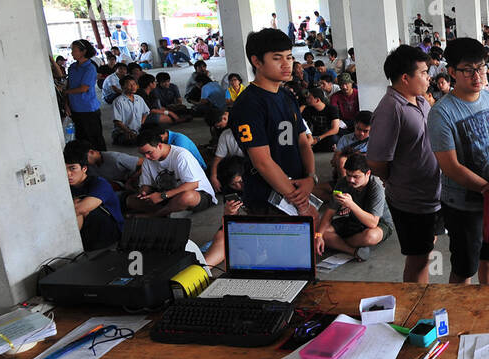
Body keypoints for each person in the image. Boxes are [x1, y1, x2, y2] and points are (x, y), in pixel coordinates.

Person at [427, 37, 489, 285]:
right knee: (464, 268)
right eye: (468, 70)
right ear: (451, 72)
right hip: (463, 205)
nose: (477, 76)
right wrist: (485, 189)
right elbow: (450, 166)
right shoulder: (442, 112)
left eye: (481, 67)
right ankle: (463, 320)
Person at [366, 44, 441, 284]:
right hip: (411, 199)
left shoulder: (420, 101)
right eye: (423, 72)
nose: (428, 77)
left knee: (426, 252)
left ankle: (422, 299)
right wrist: (395, 180)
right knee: (417, 258)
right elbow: (377, 162)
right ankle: (415, 308)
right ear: (405, 78)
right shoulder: (391, 109)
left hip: (431, 194)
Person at [229, 29, 316, 215]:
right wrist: (298, 201)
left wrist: (310, 177)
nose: (287, 64)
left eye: (290, 57)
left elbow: (303, 141)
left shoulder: (286, 95)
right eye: (277, 58)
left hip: (299, 186)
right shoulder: (248, 104)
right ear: (257, 61)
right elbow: (262, 162)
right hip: (269, 197)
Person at [314, 153, 391, 261]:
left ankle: (337, 243)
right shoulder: (343, 182)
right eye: (348, 175)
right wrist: (318, 235)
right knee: (320, 232)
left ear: (368, 173)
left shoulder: (376, 186)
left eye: (356, 176)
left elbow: (373, 223)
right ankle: (354, 251)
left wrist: (351, 204)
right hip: (353, 221)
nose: (351, 180)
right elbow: (330, 212)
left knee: (371, 236)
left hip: (379, 223)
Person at [126, 126, 216, 216]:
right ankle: (172, 211)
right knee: (131, 200)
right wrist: (144, 193)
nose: (146, 157)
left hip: (198, 194)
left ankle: (155, 215)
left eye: (149, 152)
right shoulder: (148, 160)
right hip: (169, 196)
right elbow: (146, 184)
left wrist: (162, 196)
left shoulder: (181, 155)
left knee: (187, 197)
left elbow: (193, 184)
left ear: (160, 146)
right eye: (143, 154)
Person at [63, 139, 124, 250]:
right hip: (89, 233)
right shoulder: (65, 186)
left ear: (84, 168)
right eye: (64, 169)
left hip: (112, 233)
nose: (68, 174)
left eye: (72, 168)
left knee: (80, 209)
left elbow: (80, 209)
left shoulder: (100, 184)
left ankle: (72, 249)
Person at [64, 39, 105, 151]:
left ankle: (100, 161)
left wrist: (65, 92)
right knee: (81, 139)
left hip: (88, 109)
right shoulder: (72, 67)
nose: (72, 53)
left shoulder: (90, 68)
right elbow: (69, 85)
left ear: (83, 52)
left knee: (94, 139)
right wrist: (67, 104)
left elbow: (84, 88)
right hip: (75, 108)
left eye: (74, 50)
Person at [110, 76, 150, 145]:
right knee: (135, 141)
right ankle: (118, 139)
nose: (133, 87)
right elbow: (117, 121)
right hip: (123, 131)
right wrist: (128, 131)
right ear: (122, 87)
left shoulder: (139, 98)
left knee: (153, 134)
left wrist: (141, 123)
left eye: (134, 84)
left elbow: (146, 112)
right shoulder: (118, 101)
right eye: (129, 85)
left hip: (137, 130)